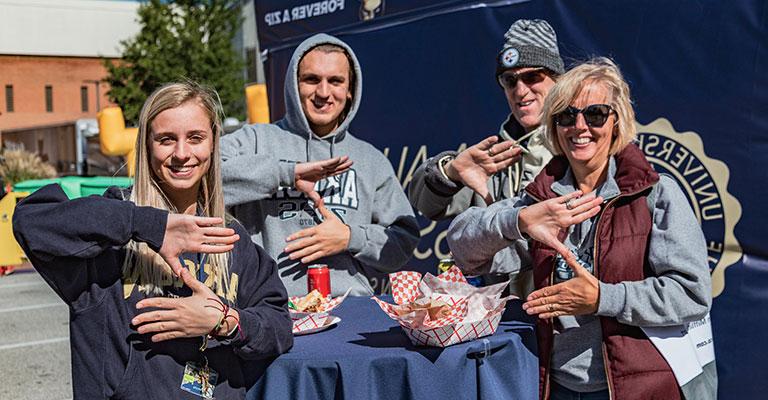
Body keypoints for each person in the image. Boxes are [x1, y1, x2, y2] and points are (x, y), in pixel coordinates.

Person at [447, 58, 716, 399]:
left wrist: (602, 298)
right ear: (554, 127)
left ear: (616, 121)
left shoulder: (655, 194)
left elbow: (691, 293)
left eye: (595, 114)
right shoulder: (540, 198)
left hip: (638, 386)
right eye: (565, 116)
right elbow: (461, 247)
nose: (579, 126)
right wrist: (518, 221)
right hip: (555, 384)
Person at [13, 82, 293, 399]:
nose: (182, 154)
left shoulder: (230, 236)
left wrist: (224, 321)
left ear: (213, 143)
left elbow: (279, 327)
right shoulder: (110, 235)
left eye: (195, 138)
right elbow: (30, 220)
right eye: (166, 140)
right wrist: (149, 225)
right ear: (146, 145)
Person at [221, 33, 420, 297]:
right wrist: (286, 173)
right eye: (312, 79)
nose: (323, 92)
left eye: (335, 81)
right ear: (294, 84)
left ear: (350, 91)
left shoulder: (370, 159)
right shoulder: (256, 140)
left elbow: (402, 242)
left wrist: (350, 237)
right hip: (270, 311)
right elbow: (204, 175)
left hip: (349, 309)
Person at [408, 19, 564, 293]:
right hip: (504, 319)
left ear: (558, 79)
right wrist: (450, 172)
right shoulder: (494, 154)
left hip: (566, 321)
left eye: (532, 77)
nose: (521, 90)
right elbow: (426, 205)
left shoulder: (581, 148)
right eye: (510, 80)